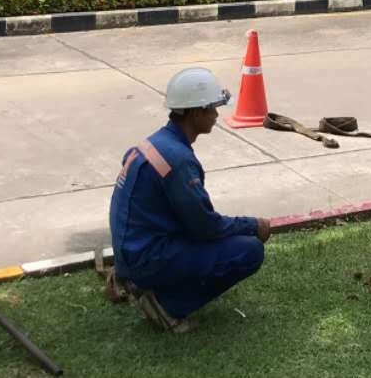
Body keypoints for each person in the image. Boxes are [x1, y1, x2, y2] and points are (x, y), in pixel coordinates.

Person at [108, 67, 270, 332]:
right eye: (212, 109)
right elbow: (206, 227)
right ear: (195, 113)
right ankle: (167, 305)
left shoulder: (154, 144)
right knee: (249, 250)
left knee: (221, 242)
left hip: (133, 252)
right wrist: (253, 225)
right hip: (145, 257)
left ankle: (143, 281)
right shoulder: (178, 160)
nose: (217, 115)